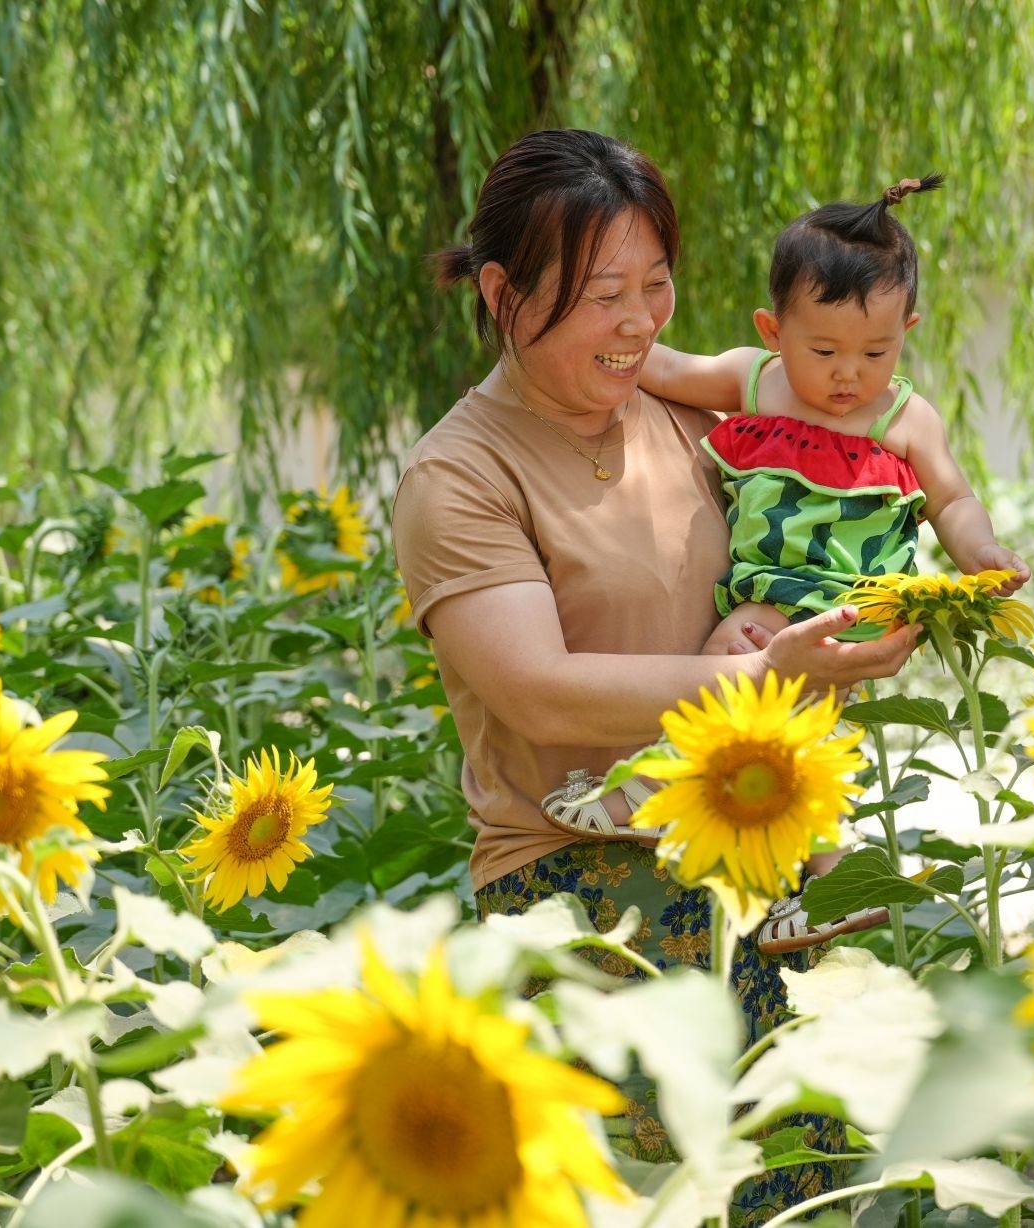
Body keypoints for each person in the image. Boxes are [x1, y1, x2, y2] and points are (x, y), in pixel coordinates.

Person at [391, 128, 915, 1224]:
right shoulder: (462, 474)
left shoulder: (703, 422)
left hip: (757, 841)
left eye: (659, 285)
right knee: (688, 1191)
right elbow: (536, 687)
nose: (640, 323)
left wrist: (868, 617)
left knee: (832, 1176)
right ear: (501, 292)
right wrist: (760, 674)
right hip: (582, 889)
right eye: (601, 295)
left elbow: (814, 538)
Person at [638, 173, 1031, 660]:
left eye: (875, 353)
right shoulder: (755, 379)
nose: (848, 374)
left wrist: (980, 552)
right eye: (823, 351)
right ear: (773, 332)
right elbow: (672, 368)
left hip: (867, 611)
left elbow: (951, 501)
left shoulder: (905, 419)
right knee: (727, 663)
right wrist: (612, 342)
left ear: (905, 332)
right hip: (772, 598)